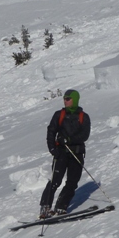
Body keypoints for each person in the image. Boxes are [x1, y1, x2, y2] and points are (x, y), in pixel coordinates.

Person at [39, 89, 91, 219]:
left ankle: (61, 206)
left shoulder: (84, 117)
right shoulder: (59, 115)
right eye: (64, 98)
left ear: (75, 99)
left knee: (72, 182)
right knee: (55, 180)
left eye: (68, 98)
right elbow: (51, 131)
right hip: (61, 153)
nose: (65, 101)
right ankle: (45, 207)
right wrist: (52, 149)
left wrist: (69, 140)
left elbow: (84, 135)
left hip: (76, 154)